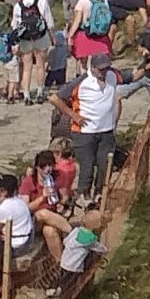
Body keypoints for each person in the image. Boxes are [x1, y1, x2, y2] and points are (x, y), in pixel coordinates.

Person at [52, 57, 123, 208]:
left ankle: (99, 194)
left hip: (106, 131)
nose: (104, 71)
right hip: (84, 132)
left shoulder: (113, 75)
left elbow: (132, 76)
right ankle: (84, 196)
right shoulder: (81, 81)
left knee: (104, 164)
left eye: (106, 68)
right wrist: (74, 116)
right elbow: (55, 98)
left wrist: (148, 65)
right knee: (87, 166)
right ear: (93, 68)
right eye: (101, 68)